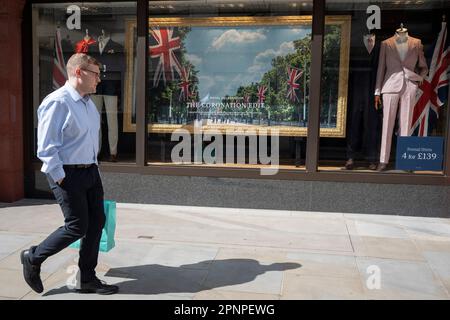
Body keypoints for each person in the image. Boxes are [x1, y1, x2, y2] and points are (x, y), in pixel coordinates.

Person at [20, 53, 119, 295]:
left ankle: (87, 278)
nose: (99, 79)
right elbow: (45, 147)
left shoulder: (88, 104)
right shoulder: (58, 102)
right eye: (95, 74)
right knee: (77, 226)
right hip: (67, 174)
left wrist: (94, 167)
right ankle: (33, 257)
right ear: (78, 72)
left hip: (90, 172)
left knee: (97, 222)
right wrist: (61, 176)